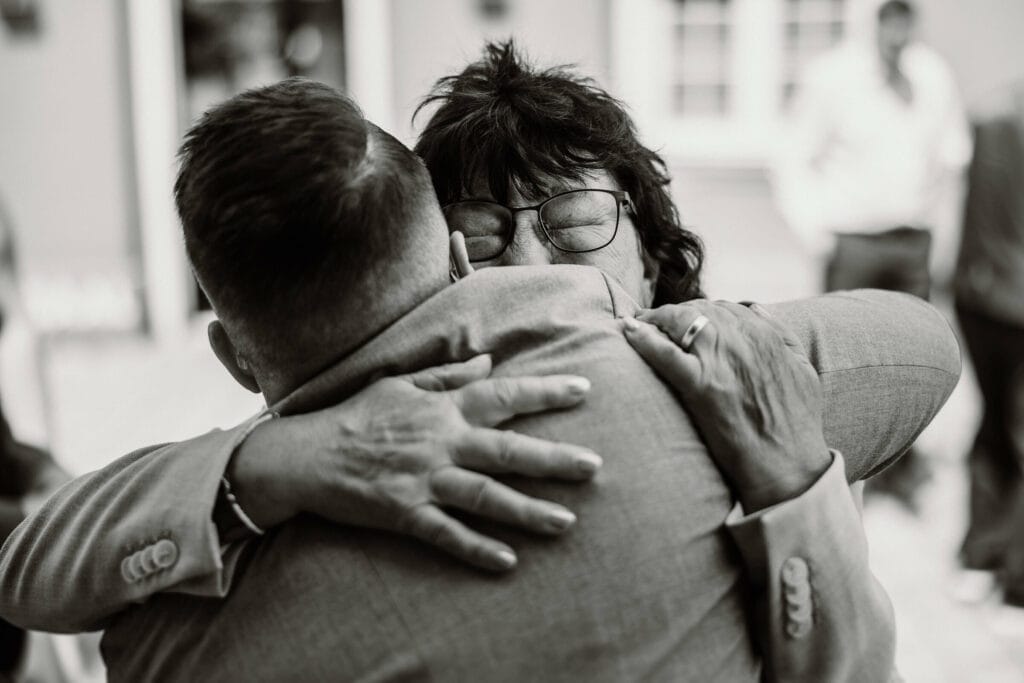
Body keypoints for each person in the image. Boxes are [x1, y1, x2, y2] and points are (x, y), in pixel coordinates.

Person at [3, 72, 959, 681]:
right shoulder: (280, 494)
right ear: (444, 270)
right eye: (489, 231)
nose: (538, 267)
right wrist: (275, 459)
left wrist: (794, 487)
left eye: (577, 217)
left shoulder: (743, 399)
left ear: (658, 249)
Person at [773, 0, 971, 506]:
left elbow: (952, 158)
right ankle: (841, 469)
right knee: (848, 361)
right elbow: (793, 154)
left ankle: (899, 469)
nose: (898, 31)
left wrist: (942, 239)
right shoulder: (832, 75)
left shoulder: (932, 75)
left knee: (916, 353)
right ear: (875, 22)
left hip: (913, 241)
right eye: (890, 19)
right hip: (853, 240)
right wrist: (817, 233)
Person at [954, 81, 1024, 607]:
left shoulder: (989, 129)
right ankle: (1012, 573)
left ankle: (981, 554)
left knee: (995, 426)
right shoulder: (994, 133)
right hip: (1006, 304)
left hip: (982, 300)